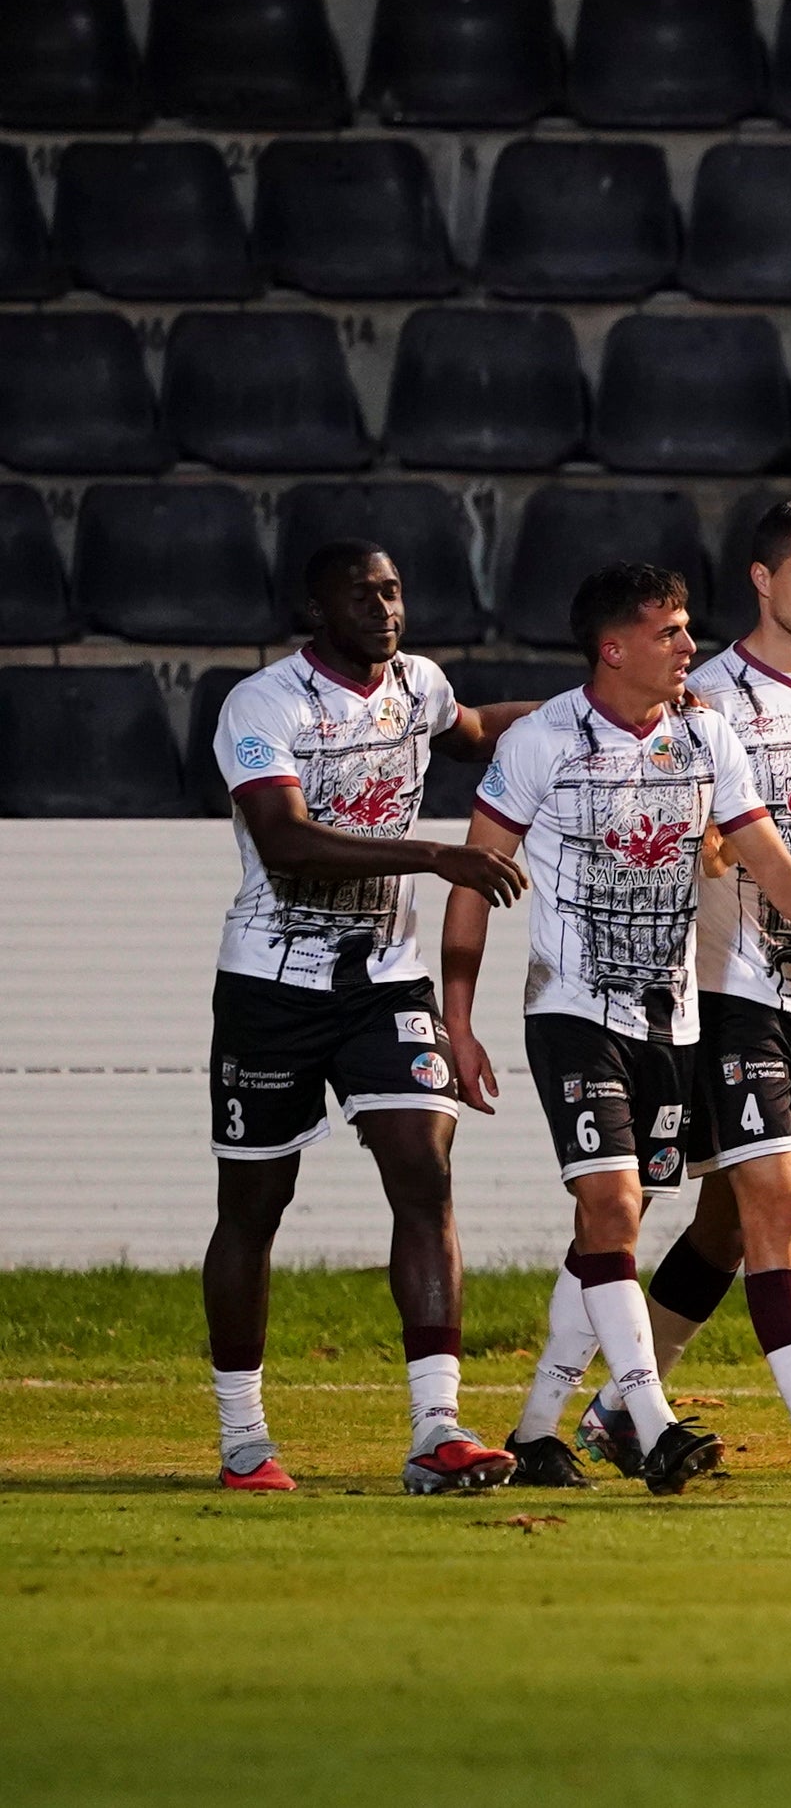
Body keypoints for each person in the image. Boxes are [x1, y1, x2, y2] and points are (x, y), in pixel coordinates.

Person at [442, 563, 791, 1495]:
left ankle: (534, 1430)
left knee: (615, 1221)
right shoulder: (542, 741)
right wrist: (460, 1017)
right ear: (615, 648)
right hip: (569, 1008)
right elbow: (476, 878)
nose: (689, 646)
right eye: (670, 631)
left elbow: (761, 849)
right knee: (612, 1208)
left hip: (671, 1019)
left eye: (686, 629)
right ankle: (653, 1419)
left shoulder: (707, 733)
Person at [568, 502, 791, 1490]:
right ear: (764, 581)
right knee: (777, 1201)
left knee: (728, 1220)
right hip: (726, 982)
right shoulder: (708, 694)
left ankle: (610, 1412)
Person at [202, 541, 539, 1494]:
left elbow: (476, 727)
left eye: (393, 589)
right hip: (273, 982)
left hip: (386, 981)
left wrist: (592, 709)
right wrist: (434, 857)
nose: (385, 607)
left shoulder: (417, 685)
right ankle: (244, 1439)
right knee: (254, 1207)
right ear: (315, 606)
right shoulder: (262, 706)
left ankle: (438, 1428)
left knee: (424, 1172)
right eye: (361, 593)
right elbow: (286, 842)